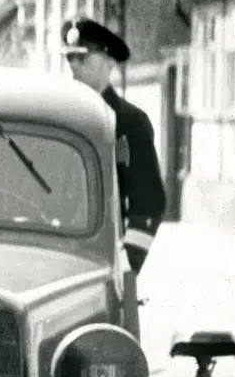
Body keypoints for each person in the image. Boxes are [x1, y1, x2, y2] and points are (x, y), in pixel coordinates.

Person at [60, 17, 167, 274]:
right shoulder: (60, 118)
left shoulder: (130, 123)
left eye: (82, 57)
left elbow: (149, 203)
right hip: (57, 258)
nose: (73, 64)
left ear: (108, 62)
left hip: (102, 264)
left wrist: (125, 267)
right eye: (70, 57)